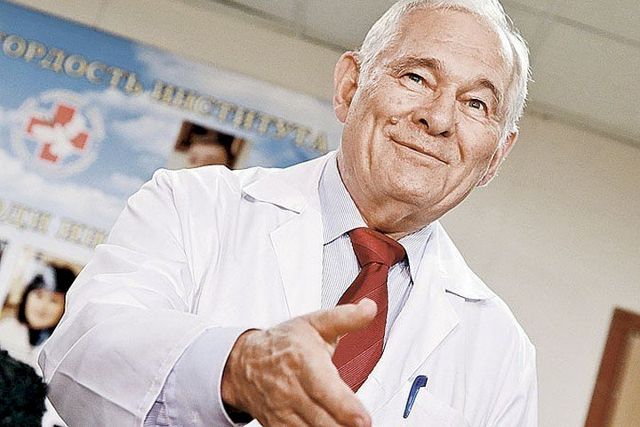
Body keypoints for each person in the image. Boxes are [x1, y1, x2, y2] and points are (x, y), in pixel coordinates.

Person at [40, 0, 536, 425]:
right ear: (350, 86)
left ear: (497, 155)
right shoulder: (193, 205)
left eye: (476, 104)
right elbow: (80, 355)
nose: (440, 117)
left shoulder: (502, 352)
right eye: (416, 77)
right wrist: (237, 368)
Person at [0, 264, 76, 369]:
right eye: (39, 295)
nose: (43, 306)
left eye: (53, 300)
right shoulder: (6, 328)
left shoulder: (66, 349)